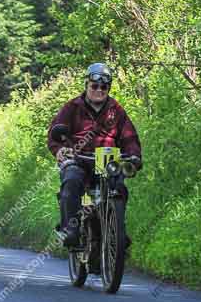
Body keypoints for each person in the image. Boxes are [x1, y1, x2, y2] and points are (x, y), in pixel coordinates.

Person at [47, 62, 142, 247]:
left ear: (108, 88)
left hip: (107, 162)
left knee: (119, 188)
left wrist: (134, 156)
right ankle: (70, 230)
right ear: (87, 85)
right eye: (95, 86)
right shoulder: (72, 107)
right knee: (71, 181)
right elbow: (55, 134)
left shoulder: (116, 110)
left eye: (104, 86)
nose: (99, 90)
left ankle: (117, 231)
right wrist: (60, 150)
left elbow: (129, 136)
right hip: (79, 159)